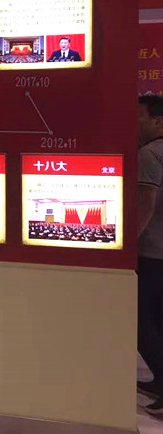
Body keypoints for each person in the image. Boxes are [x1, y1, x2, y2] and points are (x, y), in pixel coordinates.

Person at [137, 95, 163, 415]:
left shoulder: (148, 154)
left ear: (157, 121)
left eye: (138, 117)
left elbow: (145, 206)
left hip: (152, 253)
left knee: (142, 324)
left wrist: (126, 247)